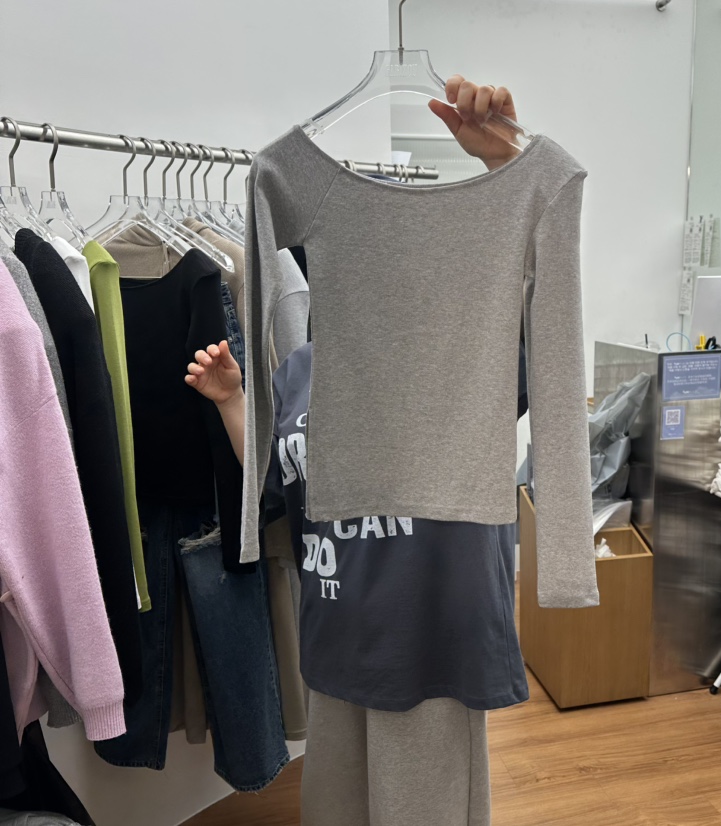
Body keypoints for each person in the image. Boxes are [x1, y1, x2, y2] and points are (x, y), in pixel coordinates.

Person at [185, 77, 528, 826]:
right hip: (338, 640)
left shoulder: (459, 351)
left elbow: (535, 291)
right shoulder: (300, 370)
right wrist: (235, 402)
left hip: (429, 651)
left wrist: (506, 162)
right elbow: (277, 483)